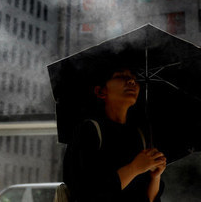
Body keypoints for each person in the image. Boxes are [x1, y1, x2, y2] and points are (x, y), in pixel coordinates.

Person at [63, 69, 166, 202]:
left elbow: (149, 199)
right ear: (101, 91)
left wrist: (155, 177)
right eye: (121, 76)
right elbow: (87, 192)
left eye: (134, 78)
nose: (131, 81)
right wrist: (134, 168)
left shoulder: (139, 135)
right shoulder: (89, 130)